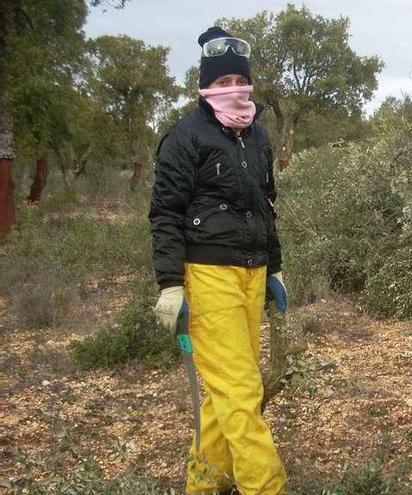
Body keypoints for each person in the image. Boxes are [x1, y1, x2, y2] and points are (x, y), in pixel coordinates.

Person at [149, 26, 288, 495]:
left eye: (238, 79)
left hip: (251, 276)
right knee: (242, 393)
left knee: (224, 397)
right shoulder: (184, 138)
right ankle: (265, 487)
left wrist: (275, 268)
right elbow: (165, 213)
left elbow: (264, 206)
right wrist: (170, 283)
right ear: (206, 86)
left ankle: (202, 487)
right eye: (222, 82)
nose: (233, 89)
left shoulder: (258, 136)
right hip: (207, 278)